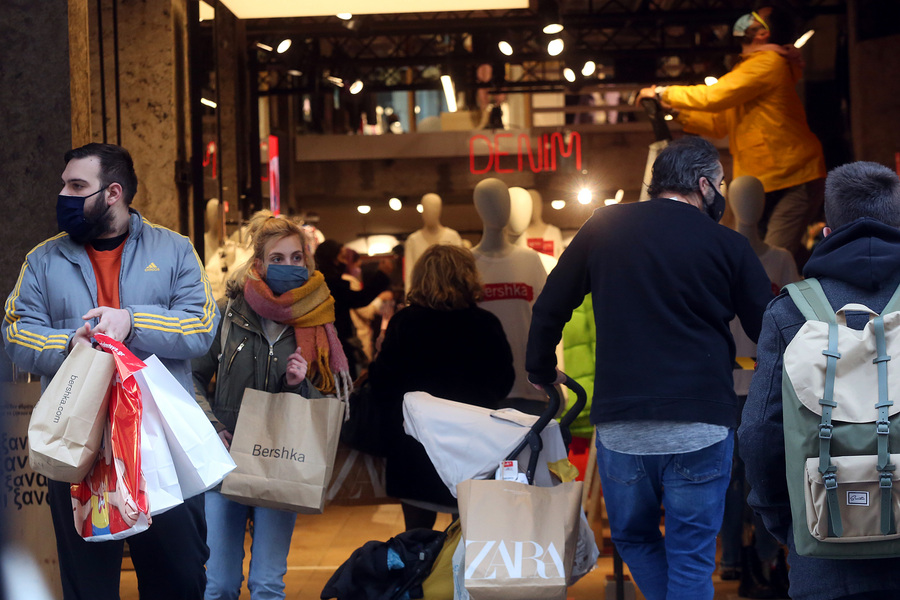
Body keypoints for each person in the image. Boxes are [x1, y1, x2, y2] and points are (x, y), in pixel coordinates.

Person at [525, 136, 773, 600]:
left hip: (624, 424)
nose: (720, 193)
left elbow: (551, 304)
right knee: (693, 554)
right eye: (719, 184)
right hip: (704, 421)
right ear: (703, 185)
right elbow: (769, 329)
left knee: (634, 538)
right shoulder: (729, 244)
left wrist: (540, 367)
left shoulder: (604, 227)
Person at [2, 143, 218, 600]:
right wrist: (67, 343)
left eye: (77, 186)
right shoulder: (43, 259)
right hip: (76, 445)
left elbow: (201, 327)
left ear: (113, 192)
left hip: (159, 445)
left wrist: (132, 321)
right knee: (88, 585)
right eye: (64, 184)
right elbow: (16, 333)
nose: (63, 194)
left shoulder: (175, 250)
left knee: (177, 579)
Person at [740, 161, 900, 600]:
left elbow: (758, 434)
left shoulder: (790, 312)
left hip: (824, 553)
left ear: (826, 232)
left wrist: (788, 523)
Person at [192, 210, 342, 600]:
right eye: (278, 259)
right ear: (258, 264)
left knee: (267, 584)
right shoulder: (227, 315)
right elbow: (190, 377)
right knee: (220, 583)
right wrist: (211, 426)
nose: (289, 266)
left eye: (297, 258)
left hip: (282, 457)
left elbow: (329, 401)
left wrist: (298, 384)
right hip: (225, 456)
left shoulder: (316, 321)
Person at [639, 4, 826, 264]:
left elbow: (715, 96)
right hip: (766, 179)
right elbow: (720, 124)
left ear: (762, 33)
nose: (746, 19)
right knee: (757, 258)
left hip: (794, 176)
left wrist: (662, 93)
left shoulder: (767, 63)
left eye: (754, 17)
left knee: (767, 263)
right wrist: (676, 112)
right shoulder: (752, 68)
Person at [367, 244, 515, 530]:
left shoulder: (405, 323)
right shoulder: (486, 324)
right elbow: (504, 382)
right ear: (468, 277)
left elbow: (383, 384)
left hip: (416, 450)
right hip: (472, 450)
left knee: (417, 541)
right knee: (469, 539)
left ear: (420, 278)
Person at [314, 239, 392, 379]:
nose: (344, 262)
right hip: (335, 343)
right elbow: (360, 299)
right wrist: (381, 275)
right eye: (342, 257)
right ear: (333, 259)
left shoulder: (323, 283)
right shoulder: (329, 285)